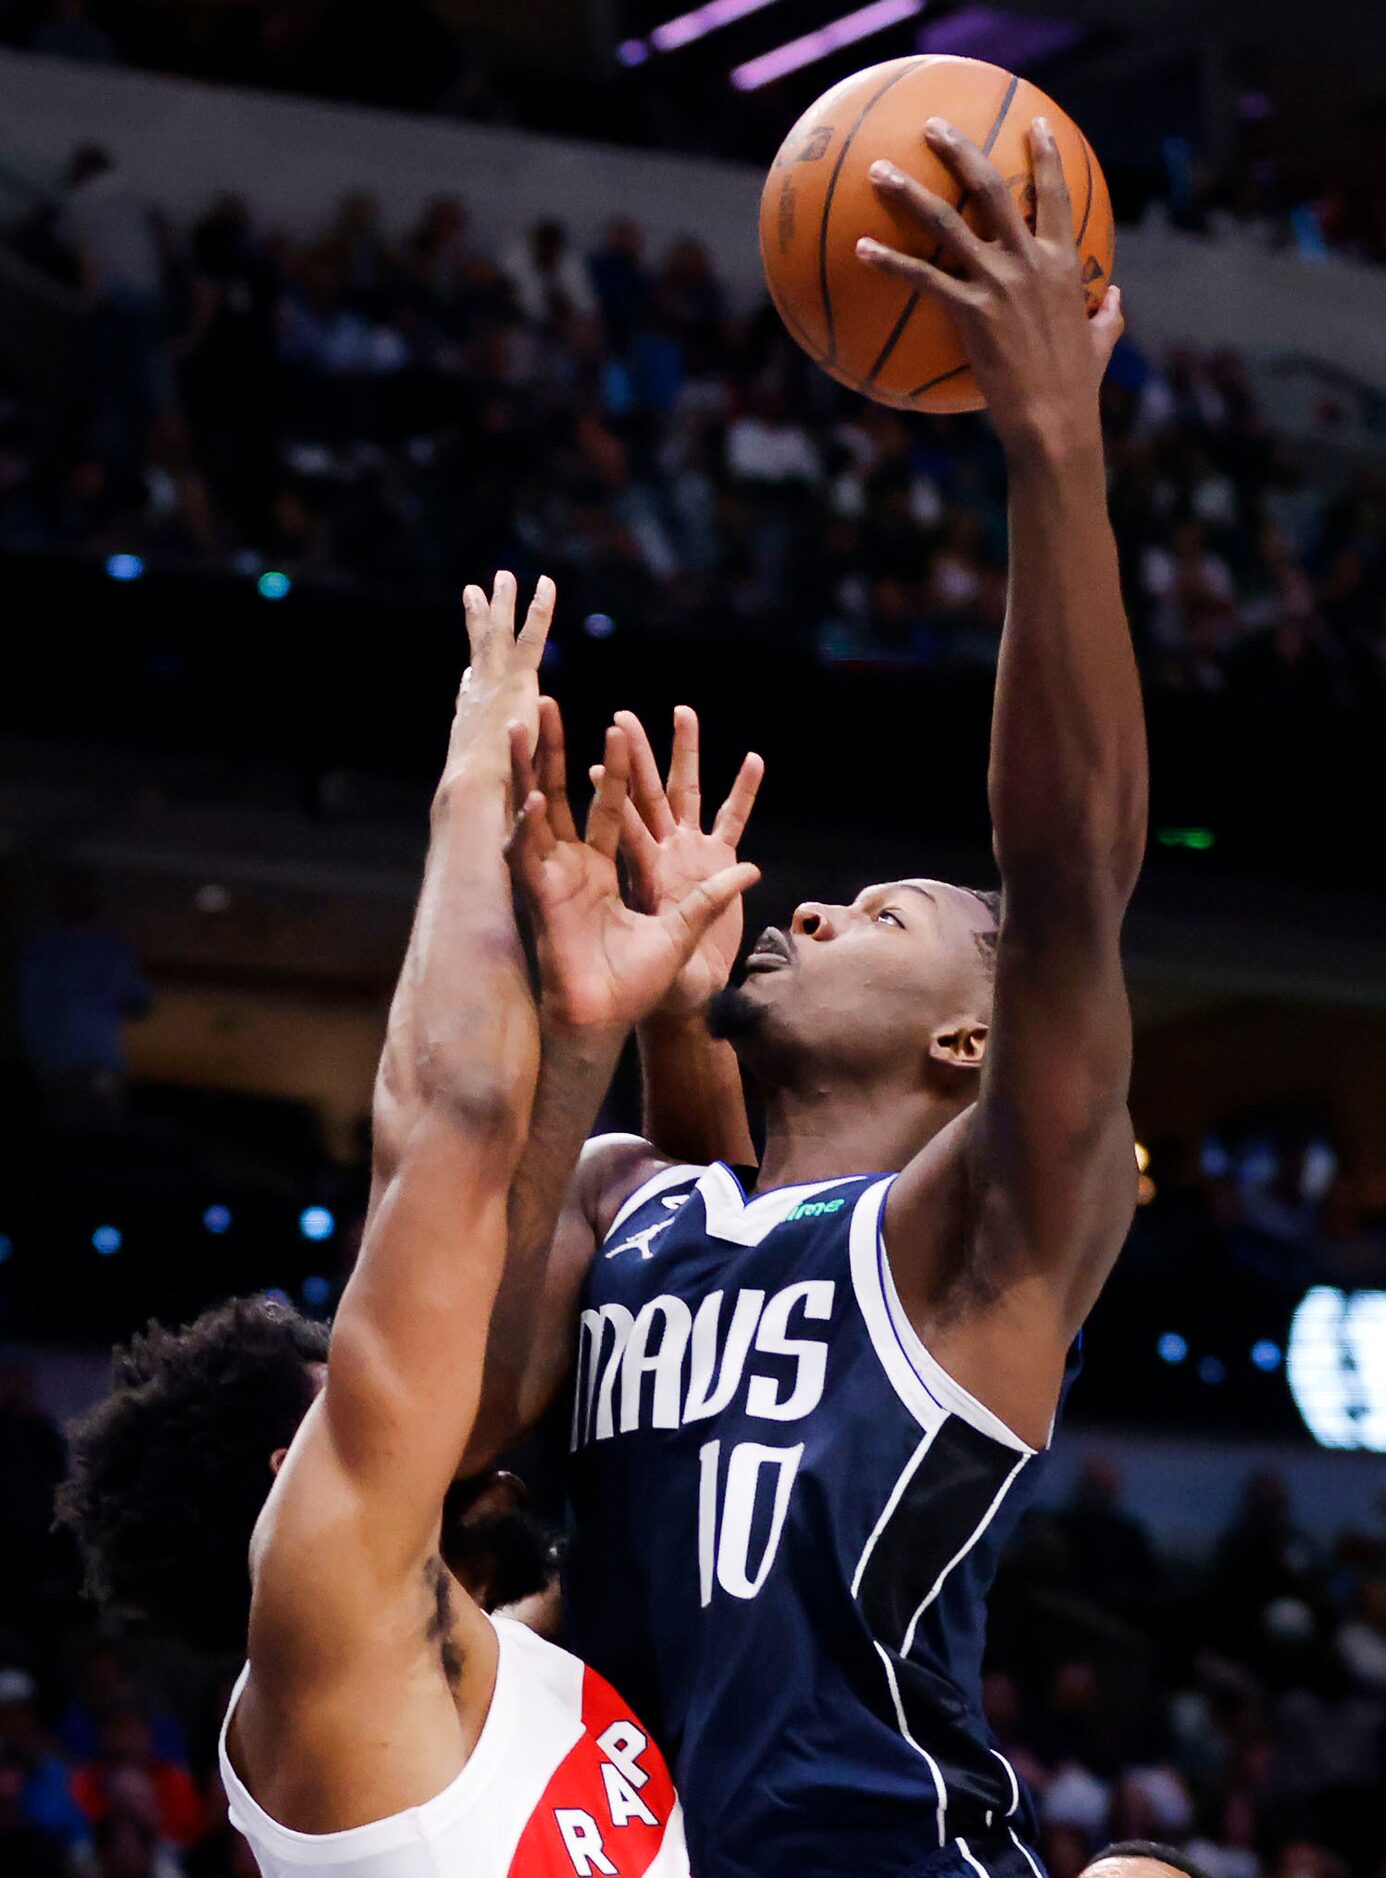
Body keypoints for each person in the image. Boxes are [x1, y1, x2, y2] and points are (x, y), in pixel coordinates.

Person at [488, 119, 1147, 1878]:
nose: (822, 897)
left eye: (895, 910)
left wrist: (1049, 446)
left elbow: (1072, 877)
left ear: (974, 1043)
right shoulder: (636, 1200)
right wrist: (628, 1027)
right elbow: (463, 1440)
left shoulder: (980, 1232)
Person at [58, 573, 758, 1877]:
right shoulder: (328, 1627)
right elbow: (448, 1125)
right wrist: (471, 785)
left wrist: (640, 1021)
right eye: (350, 1361)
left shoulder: (511, 1647)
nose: (393, 1347)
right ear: (296, 1475)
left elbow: (673, 1292)